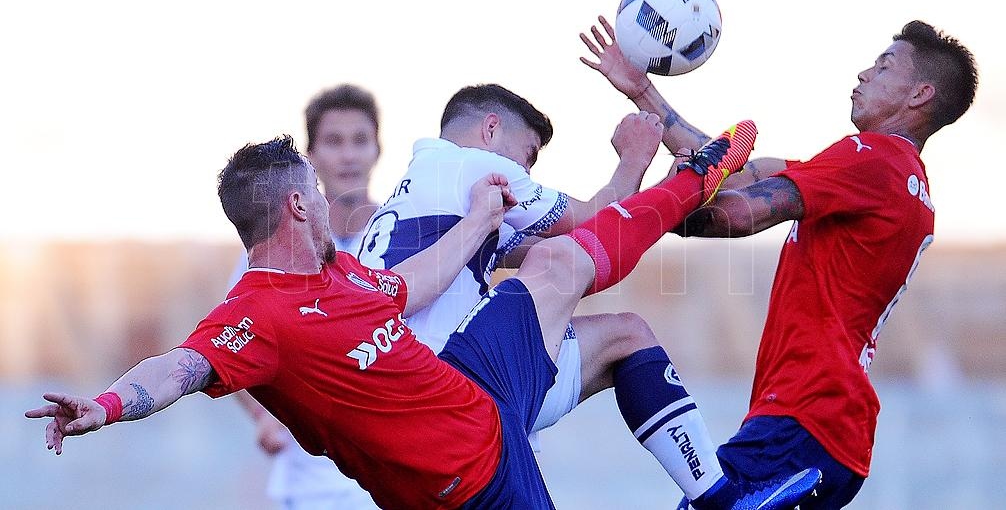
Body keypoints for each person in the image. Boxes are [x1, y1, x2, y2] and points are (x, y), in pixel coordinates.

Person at [27, 129, 822, 509]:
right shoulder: (255, 315)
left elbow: (407, 284)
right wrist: (101, 405)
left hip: (476, 382)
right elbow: (176, 367)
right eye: (317, 177)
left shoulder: (338, 269)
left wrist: (480, 219)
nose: (333, 186)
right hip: (469, 484)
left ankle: (691, 181)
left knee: (556, 264)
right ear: (298, 202)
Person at [580, 16, 979, 508]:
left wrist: (642, 210)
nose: (863, 74)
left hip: (802, 413)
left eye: (883, 65)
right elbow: (738, 172)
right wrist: (643, 93)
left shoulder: (872, 158)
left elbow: (740, 213)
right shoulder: (891, 177)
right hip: (833, 432)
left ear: (919, 95)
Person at [355, 84, 761, 502]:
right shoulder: (470, 165)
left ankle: (718, 496)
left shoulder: (413, 198)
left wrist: (654, 191)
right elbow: (587, 226)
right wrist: (635, 157)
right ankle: (693, 181)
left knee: (625, 336)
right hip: (455, 388)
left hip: (424, 406)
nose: (525, 175)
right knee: (558, 260)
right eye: (527, 157)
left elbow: (596, 242)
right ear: (490, 129)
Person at [228, 84, 383, 509]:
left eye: (360, 140)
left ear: (377, 150)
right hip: (315, 486)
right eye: (334, 142)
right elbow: (230, 343)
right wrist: (263, 417)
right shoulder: (273, 248)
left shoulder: (409, 235)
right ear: (310, 156)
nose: (348, 155)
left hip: (403, 475)